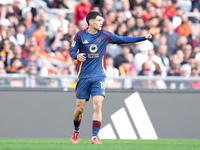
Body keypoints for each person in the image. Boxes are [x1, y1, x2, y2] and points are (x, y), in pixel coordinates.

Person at [70, 11, 152, 144]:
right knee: (79, 109)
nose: (102, 22)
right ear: (91, 22)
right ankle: (76, 130)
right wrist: (76, 55)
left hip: (99, 76)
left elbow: (123, 39)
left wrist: (143, 38)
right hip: (83, 76)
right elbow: (72, 51)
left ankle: (94, 137)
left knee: (98, 104)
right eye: (99, 20)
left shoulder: (104, 35)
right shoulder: (80, 35)